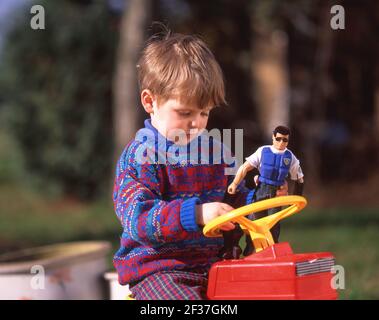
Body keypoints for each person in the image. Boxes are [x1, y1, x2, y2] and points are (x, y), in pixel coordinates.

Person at [112, 30, 258, 300]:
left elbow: (234, 199)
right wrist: (198, 214)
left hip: (217, 264)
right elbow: (139, 219)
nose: (197, 123)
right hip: (160, 270)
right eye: (185, 113)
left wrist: (263, 197)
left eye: (204, 113)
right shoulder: (141, 157)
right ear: (150, 101)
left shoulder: (217, 153)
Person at [227, 125, 304, 255]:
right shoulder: (263, 151)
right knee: (254, 223)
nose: (281, 143)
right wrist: (234, 183)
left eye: (285, 140)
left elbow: (299, 179)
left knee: (273, 226)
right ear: (273, 137)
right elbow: (245, 167)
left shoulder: (290, 157)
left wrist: (296, 197)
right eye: (278, 139)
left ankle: (271, 253)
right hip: (261, 189)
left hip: (276, 193)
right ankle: (251, 252)